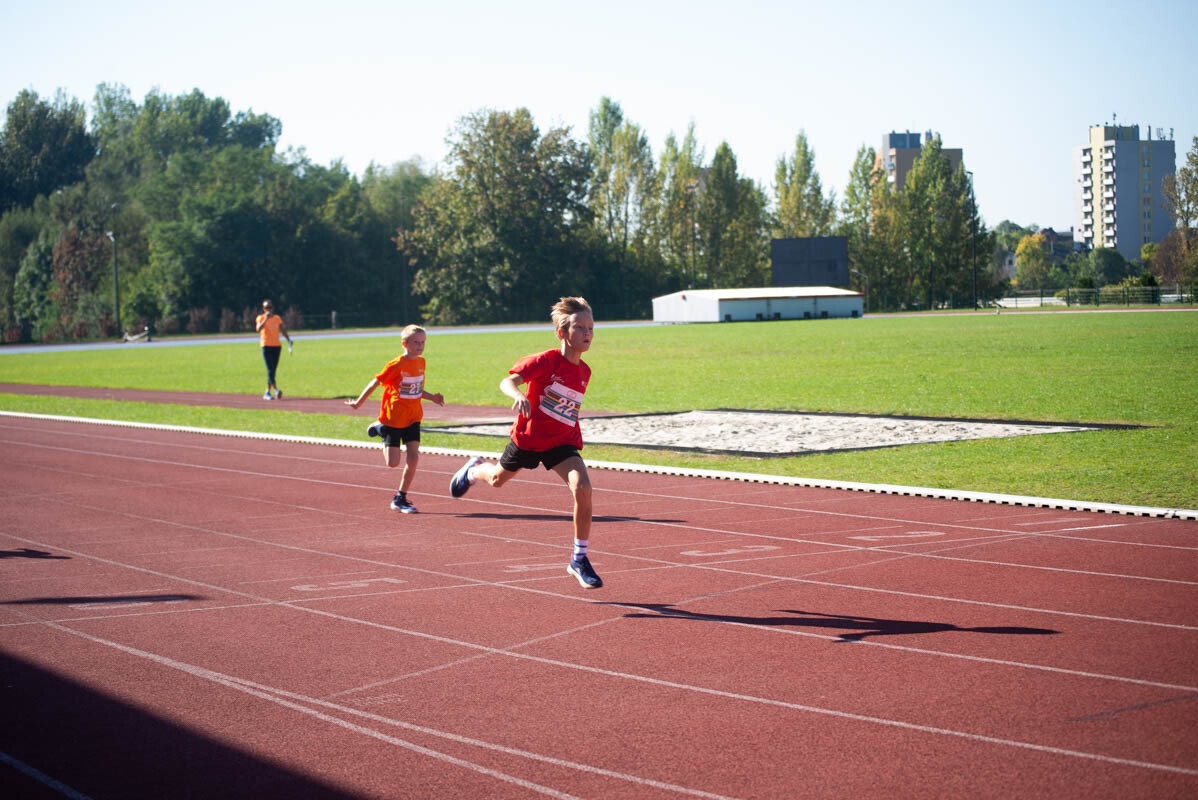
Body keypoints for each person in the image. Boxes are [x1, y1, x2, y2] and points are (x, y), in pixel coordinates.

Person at [449, 297, 601, 589]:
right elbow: (507, 382)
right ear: (562, 333)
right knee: (497, 480)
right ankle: (474, 470)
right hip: (528, 439)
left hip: (561, 443)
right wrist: (518, 395)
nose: (587, 333)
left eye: (591, 328)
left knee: (583, 487)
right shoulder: (545, 361)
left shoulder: (585, 371)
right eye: (580, 327)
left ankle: (579, 559)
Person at [346, 324, 444, 513]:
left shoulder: (422, 362)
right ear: (404, 344)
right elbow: (375, 382)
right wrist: (359, 402)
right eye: (416, 342)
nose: (420, 346)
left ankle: (400, 497)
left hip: (413, 417)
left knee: (413, 458)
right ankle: (382, 429)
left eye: (423, 342)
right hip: (394, 418)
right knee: (393, 463)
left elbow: (415, 389)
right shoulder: (396, 364)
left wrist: (432, 397)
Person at [255, 300, 292, 399]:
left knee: (273, 370)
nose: (268, 309)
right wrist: (265, 319)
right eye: (266, 307)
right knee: (270, 369)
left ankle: (267, 392)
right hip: (266, 345)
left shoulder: (277, 318)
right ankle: (276, 390)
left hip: (276, 346)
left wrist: (288, 339)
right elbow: (258, 329)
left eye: (270, 307)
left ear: (273, 308)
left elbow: (282, 330)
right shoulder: (260, 318)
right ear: (263, 309)